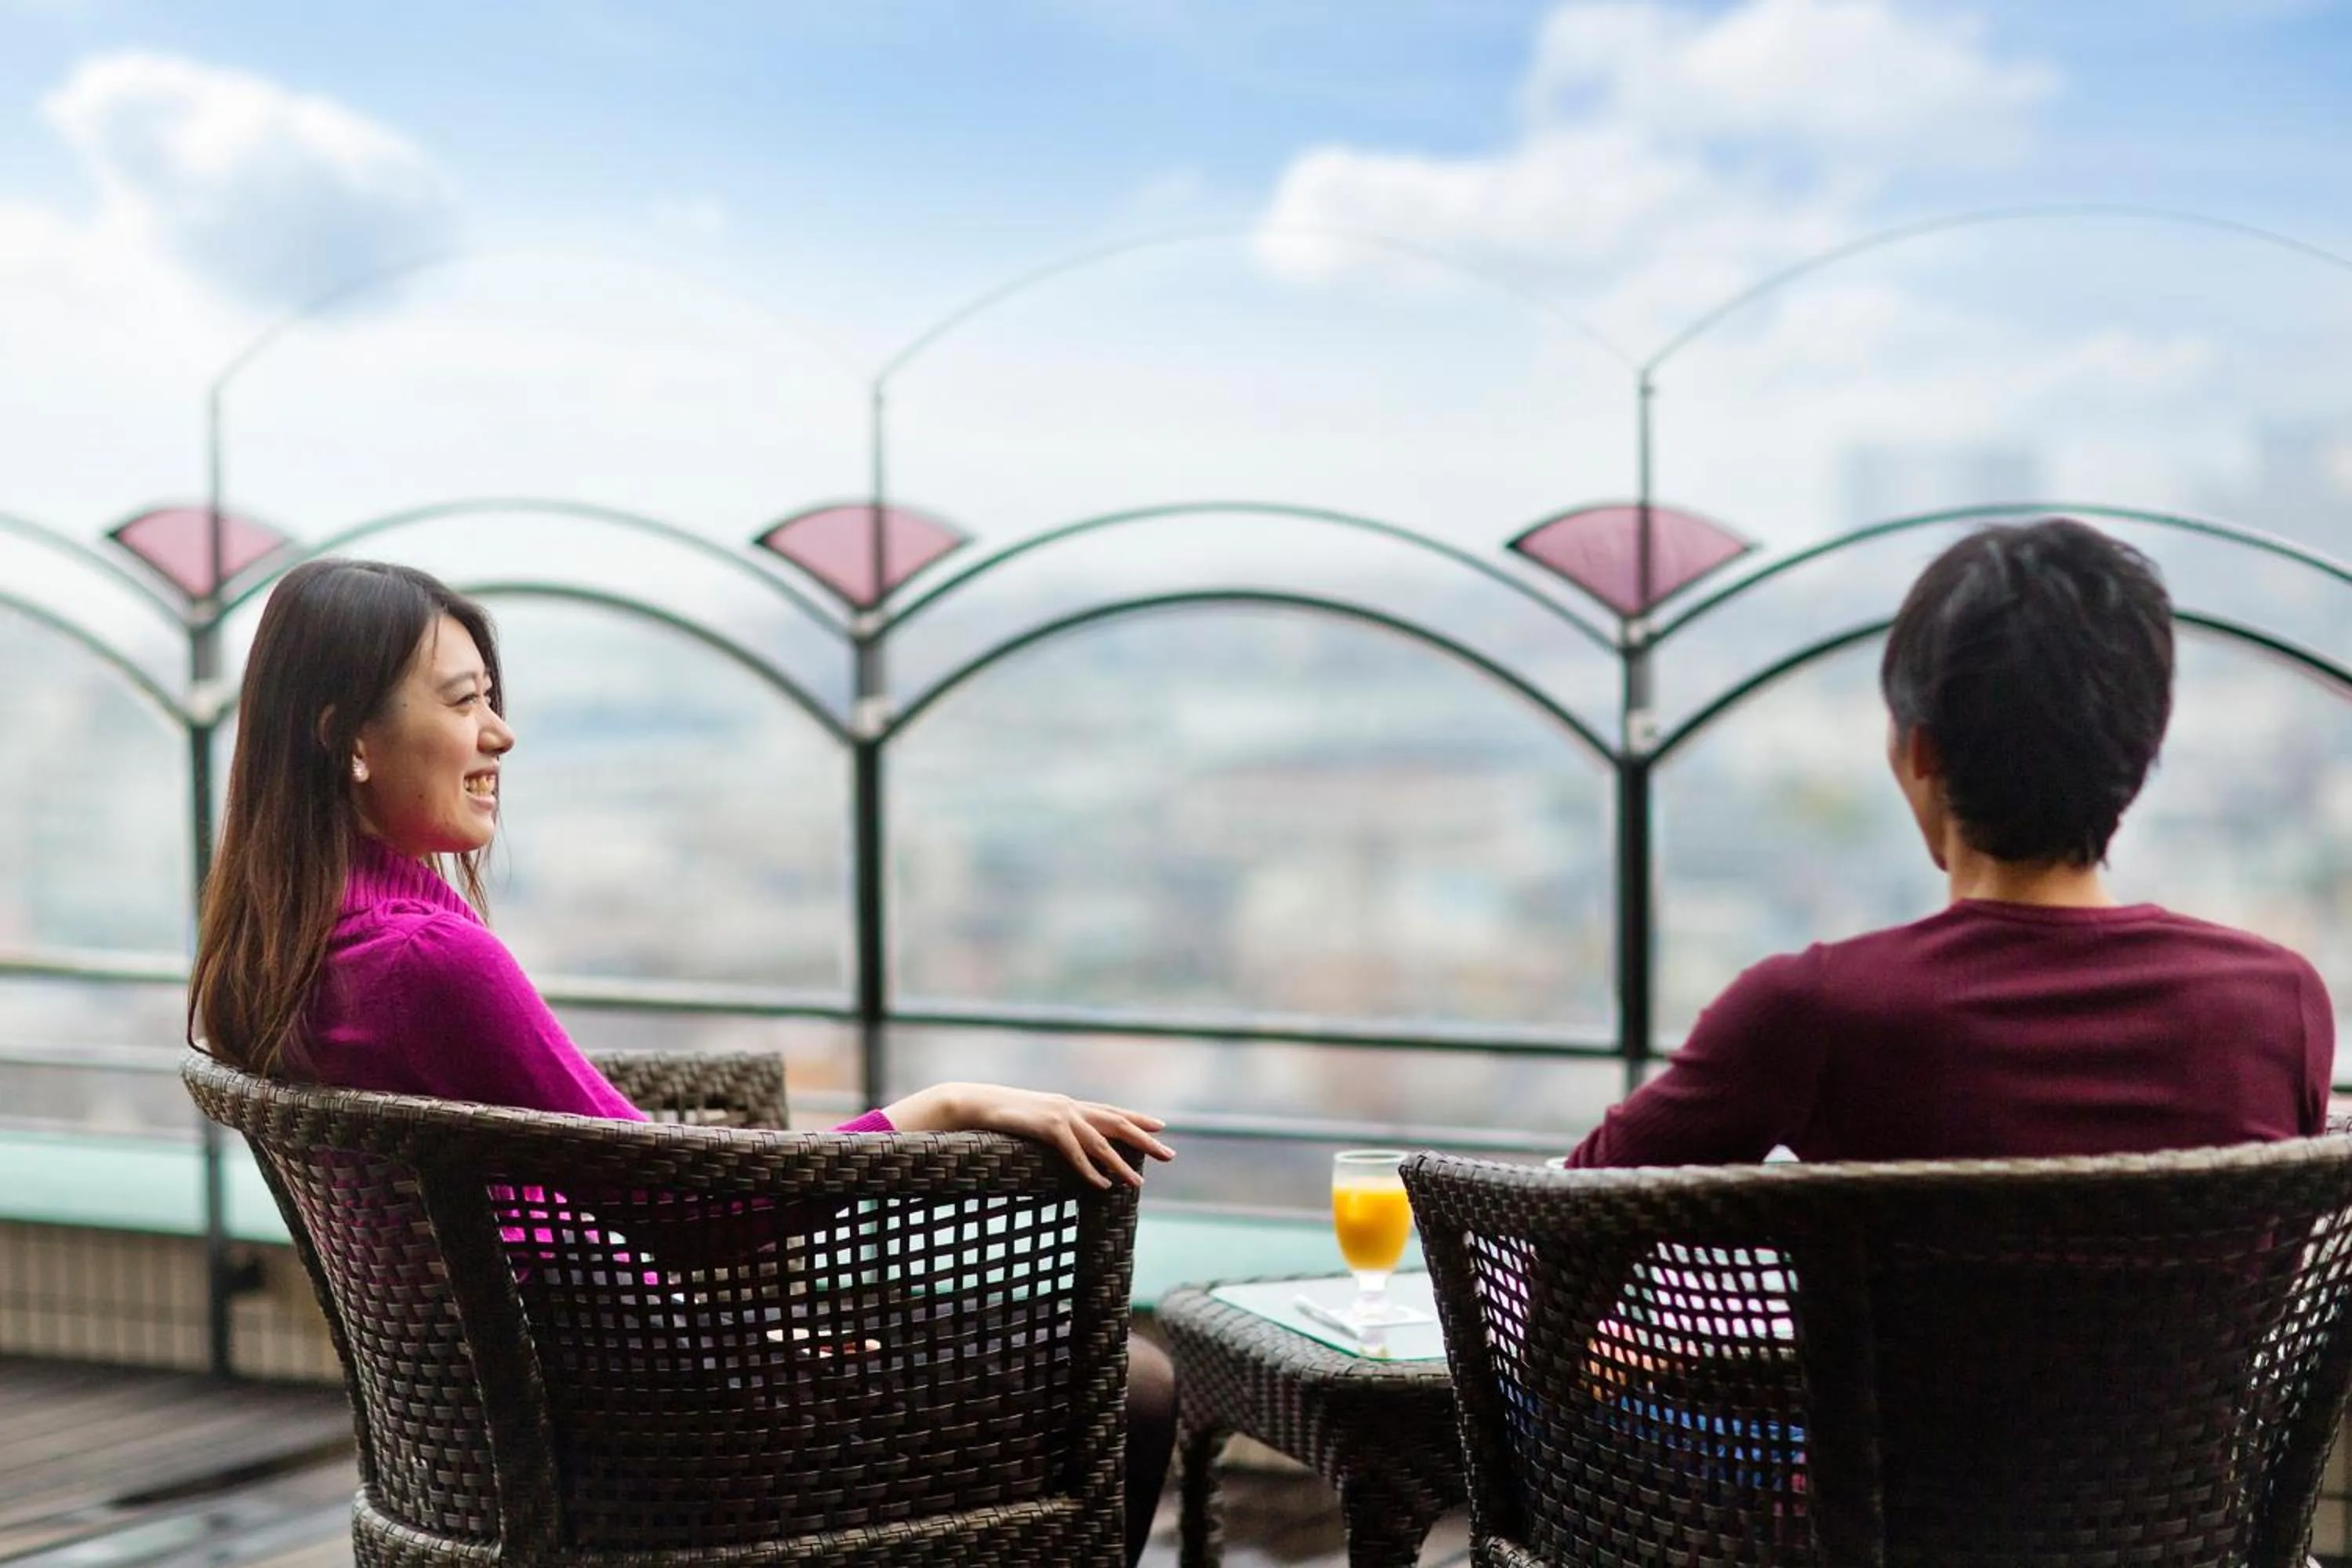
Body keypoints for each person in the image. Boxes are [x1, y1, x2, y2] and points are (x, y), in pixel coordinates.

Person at [188, 557, 1177, 1566]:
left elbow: (572, 1177)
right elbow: (704, 1216)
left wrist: (749, 1337)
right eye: (464, 702)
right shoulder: (422, 960)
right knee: (1128, 1384)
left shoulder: (285, 950)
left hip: (519, 1418)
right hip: (657, 1439)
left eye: (491, 698)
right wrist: (945, 1103)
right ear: (348, 738)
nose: (500, 733)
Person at [1566, 515, 2334, 1169]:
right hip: (2198, 1357)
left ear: (1922, 751)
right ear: (2143, 742)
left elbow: (1560, 1226)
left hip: (1883, 1357)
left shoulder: (1812, 1011)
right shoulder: (2276, 1003)